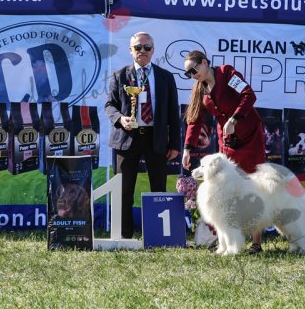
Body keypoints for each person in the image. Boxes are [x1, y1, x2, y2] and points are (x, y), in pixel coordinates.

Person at [181, 49, 267, 253]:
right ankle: (227, 241)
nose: (192, 75)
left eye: (193, 70)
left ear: (204, 62)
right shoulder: (199, 89)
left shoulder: (227, 73)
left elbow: (249, 95)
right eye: (188, 73)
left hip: (250, 138)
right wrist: (187, 149)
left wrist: (234, 119)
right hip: (227, 142)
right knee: (226, 192)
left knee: (254, 186)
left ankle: (256, 242)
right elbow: (194, 120)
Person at [105, 32, 181, 239]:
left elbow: (173, 113)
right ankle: (124, 236)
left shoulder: (165, 77)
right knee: (124, 190)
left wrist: (175, 144)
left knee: (158, 188)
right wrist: (120, 119)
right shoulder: (119, 75)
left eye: (147, 47)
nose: (142, 51)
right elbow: (109, 105)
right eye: (138, 47)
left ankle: (158, 235)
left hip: (155, 138)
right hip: (126, 137)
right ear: (130, 50)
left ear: (153, 50)